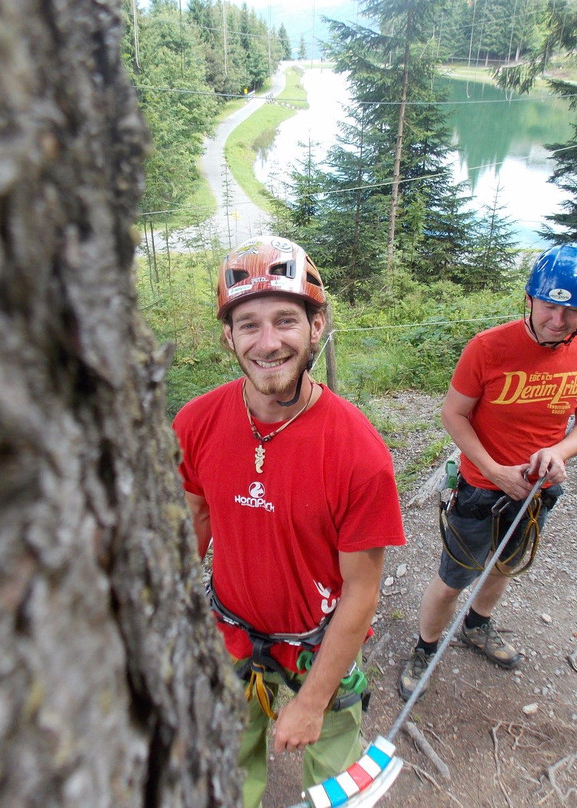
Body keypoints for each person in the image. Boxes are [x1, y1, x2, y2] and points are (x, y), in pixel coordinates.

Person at [173, 235, 406, 808]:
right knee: (226, 768)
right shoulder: (197, 422)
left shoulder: (357, 452)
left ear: (316, 326)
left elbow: (362, 590)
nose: (268, 342)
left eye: (285, 320)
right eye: (248, 324)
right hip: (231, 632)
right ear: (228, 336)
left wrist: (312, 700)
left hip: (318, 648)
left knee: (335, 786)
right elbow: (194, 518)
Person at [399, 245, 577, 700]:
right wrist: (493, 469)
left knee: (506, 564)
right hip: (479, 488)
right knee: (454, 577)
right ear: (530, 298)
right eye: (550, 304)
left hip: (537, 491)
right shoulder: (488, 348)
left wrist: (559, 451)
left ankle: (477, 626)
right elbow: (453, 415)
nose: (558, 318)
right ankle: (425, 647)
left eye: (572, 310)